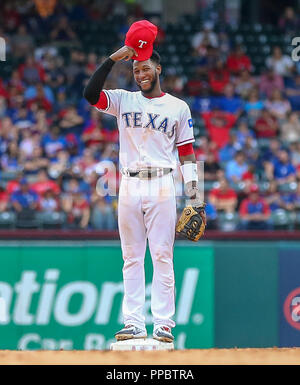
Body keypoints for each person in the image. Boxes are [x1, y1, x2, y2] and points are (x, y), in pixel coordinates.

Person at [83, 27, 206, 343]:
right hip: (129, 185)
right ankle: (134, 322)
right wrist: (112, 60)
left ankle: (163, 323)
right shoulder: (123, 100)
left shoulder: (178, 107)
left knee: (162, 256)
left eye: (146, 68)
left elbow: (187, 154)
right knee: (131, 257)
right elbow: (90, 94)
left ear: (158, 68)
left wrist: (195, 196)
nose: (140, 74)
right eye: (136, 69)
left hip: (163, 184)